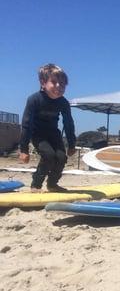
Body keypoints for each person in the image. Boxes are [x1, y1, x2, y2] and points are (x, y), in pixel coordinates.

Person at [19, 63, 76, 193]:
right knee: (49, 155)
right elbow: (26, 124)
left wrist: (72, 144)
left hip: (53, 134)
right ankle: (36, 185)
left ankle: (52, 184)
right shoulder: (34, 99)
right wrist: (24, 149)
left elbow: (68, 123)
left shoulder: (63, 102)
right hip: (37, 133)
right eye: (54, 82)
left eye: (62, 83)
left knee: (61, 157)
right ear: (43, 82)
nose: (58, 86)